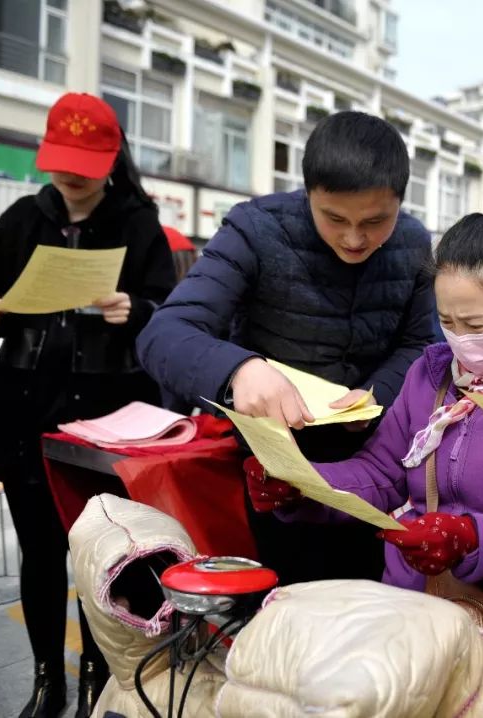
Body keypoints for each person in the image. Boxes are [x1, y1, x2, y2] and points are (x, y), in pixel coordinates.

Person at [246, 180, 483, 717]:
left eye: (476, 324)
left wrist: (472, 539)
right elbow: (380, 472)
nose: (459, 341)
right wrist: (303, 485)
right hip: (417, 637)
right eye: (447, 322)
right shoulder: (433, 375)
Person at [136, 111, 435, 585]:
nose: (355, 238)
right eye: (334, 218)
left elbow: (422, 343)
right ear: (308, 192)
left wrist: (377, 393)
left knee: (369, 611)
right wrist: (239, 370)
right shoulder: (255, 230)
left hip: (375, 469)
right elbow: (165, 333)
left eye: (376, 221)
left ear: (400, 200)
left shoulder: (414, 244)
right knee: (287, 610)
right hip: (275, 471)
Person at [0, 92, 176, 718]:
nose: (70, 176)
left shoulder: (139, 223)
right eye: (61, 161)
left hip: (105, 414)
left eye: (85, 163)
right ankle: (45, 680)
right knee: (40, 552)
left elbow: (168, 312)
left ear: (112, 158)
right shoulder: (21, 218)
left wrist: (134, 311)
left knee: (102, 553)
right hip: (27, 406)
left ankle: (95, 677)